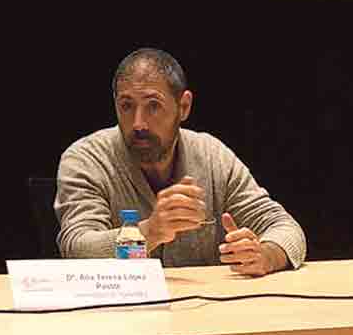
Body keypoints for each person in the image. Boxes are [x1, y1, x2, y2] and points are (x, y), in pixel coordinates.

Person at [55, 48, 306, 275]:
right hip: (119, 318)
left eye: (153, 106)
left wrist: (265, 255)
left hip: (206, 318)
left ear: (183, 106)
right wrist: (149, 232)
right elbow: (77, 248)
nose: (138, 123)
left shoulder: (213, 156)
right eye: (127, 106)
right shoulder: (86, 159)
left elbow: (285, 228)